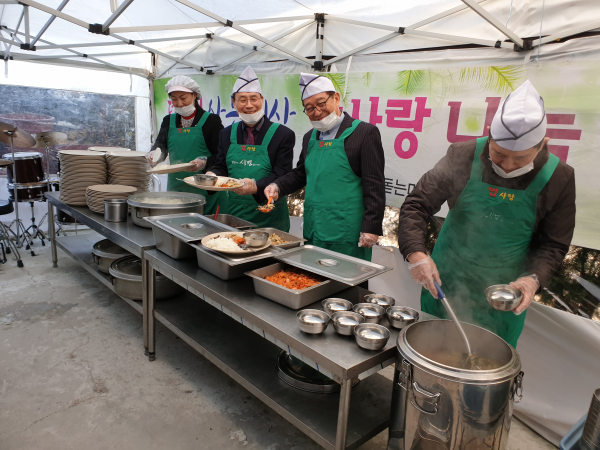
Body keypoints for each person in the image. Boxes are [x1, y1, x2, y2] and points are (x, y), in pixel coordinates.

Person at [398, 80, 576, 348]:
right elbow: (417, 204)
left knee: (486, 366)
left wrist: (533, 279)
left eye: (520, 158)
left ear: (543, 145)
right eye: (499, 154)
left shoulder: (559, 177)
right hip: (447, 281)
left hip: (503, 295)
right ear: (490, 136)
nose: (507, 165)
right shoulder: (463, 154)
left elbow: (554, 243)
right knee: (431, 352)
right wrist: (416, 254)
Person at [264, 73, 385, 261]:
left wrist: (371, 227)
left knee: (347, 282)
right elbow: (301, 173)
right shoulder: (309, 137)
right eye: (309, 108)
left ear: (336, 98)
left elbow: (374, 184)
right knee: (312, 279)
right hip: (315, 227)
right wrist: (278, 186)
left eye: (321, 103)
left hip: (348, 232)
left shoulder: (364, 133)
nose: (317, 111)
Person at [208, 66, 295, 231]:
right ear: (233, 102)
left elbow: (282, 174)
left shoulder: (282, 134)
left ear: (262, 100)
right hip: (233, 215)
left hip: (269, 218)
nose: (249, 105)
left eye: (253, 99)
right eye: (242, 99)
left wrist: (256, 187)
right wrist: (212, 175)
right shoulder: (226, 134)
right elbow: (221, 167)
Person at [148, 75, 226, 215]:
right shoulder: (168, 120)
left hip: (204, 187)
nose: (179, 103)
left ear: (194, 95)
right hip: (176, 188)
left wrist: (204, 162)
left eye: (183, 98)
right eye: (174, 99)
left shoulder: (211, 121)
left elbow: (222, 154)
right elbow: (161, 147)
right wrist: (154, 155)